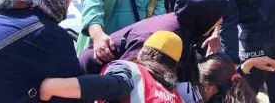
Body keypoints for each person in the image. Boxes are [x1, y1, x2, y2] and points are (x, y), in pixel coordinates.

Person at [80, 0, 229, 86]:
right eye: (217, 17)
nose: (221, 21)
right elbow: (134, 77)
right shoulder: (167, 37)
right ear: (203, 18)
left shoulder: (183, 25)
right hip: (94, 77)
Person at [39, 31, 186, 102]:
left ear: (143, 51)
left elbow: (114, 85)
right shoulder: (175, 96)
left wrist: (52, 86)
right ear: (173, 67)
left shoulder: (131, 70)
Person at [178, 53, 275, 103]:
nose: (197, 90)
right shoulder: (243, 93)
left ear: (208, 87)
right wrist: (250, 63)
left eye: (199, 86)